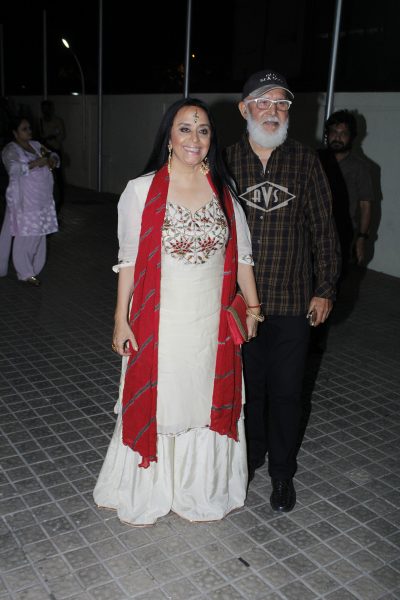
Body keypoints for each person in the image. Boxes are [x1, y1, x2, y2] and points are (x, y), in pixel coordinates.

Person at [93, 97, 261, 526]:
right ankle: (151, 487)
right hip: (161, 323)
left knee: (205, 400)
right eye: (185, 128)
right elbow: (129, 261)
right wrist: (120, 318)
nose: (194, 138)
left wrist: (253, 307)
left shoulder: (223, 191)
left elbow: (242, 256)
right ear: (168, 136)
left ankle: (199, 490)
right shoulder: (140, 190)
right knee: (165, 400)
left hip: (210, 325)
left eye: (203, 130)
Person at [224, 69, 340, 512]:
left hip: (293, 302)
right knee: (248, 391)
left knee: (288, 393)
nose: (272, 111)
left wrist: (325, 288)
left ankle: (282, 474)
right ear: (244, 109)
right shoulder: (226, 160)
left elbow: (324, 230)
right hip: (240, 305)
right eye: (263, 102)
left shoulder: (306, 161)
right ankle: (249, 460)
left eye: (281, 104)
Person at [0, 116, 59, 285]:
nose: (29, 131)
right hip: (25, 199)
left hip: (42, 198)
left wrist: (52, 159)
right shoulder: (10, 149)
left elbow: (52, 155)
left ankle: (34, 268)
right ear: (15, 133)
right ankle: (24, 272)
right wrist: (35, 163)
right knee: (26, 234)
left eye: (29, 128)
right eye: (24, 129)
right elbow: (13, 168)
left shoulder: (35, 145)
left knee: (40, 233)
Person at [320, 110, 374, 266]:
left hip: (341, 232)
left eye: (343, 133)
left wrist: (362, 238)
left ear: (352, 137)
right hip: (312, 229)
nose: (337, 137)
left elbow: (365, 205)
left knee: (336, 274)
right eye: (334, 132)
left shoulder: (360, 168)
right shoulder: (315, 159)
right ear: (327, 134)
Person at [39, 100, 66, 212]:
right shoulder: (40, 121)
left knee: (58, 177)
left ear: (51, 109)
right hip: (44, 152)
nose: (45, 111)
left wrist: (52, 137)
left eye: (47, 108)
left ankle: (59, 203)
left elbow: (61, 136)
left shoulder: (57, 121)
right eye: (43, 109)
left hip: (55, 150)